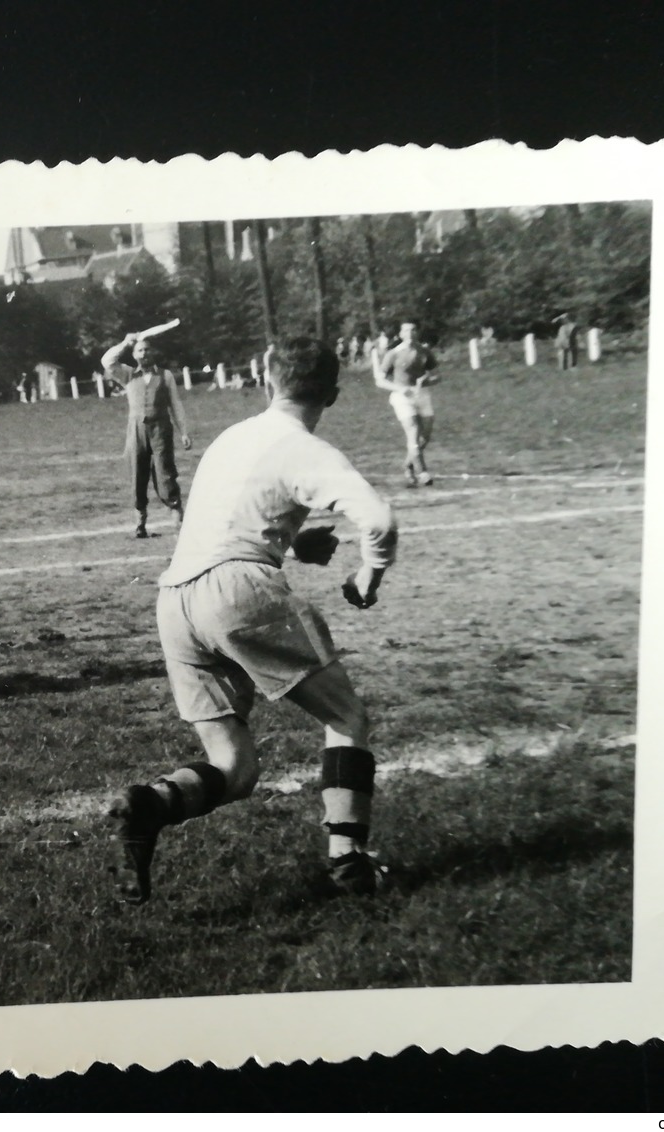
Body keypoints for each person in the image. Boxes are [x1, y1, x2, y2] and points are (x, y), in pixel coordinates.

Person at [110, 336, 399, 904]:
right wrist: (369, 575)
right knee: (346, 717)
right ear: (333, 396)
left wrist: (290, 545)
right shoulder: (305, 447)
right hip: (235, 590)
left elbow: (220, 522)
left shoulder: (231, 437)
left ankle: (146, 806)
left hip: (174, 598)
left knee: (235, 768)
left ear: (267, 378)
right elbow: (379, 520)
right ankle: (348, 862)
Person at [101, 327, 192, 538]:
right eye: (140, 351)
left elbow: (176, 405)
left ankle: (178, 520)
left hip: (161, 429)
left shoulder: (165, 376)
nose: (144, 354)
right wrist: (125, 343)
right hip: (136, 430)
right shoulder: (128, 374)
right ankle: (140, 524)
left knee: (165, 473)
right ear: (134, 355)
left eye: (147, 350)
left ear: (153, 352)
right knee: (137, 473)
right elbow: (107, 361)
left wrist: (184, 432)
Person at [374, 321, 441, 487]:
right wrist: (400, 389)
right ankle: (422, 472)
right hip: (401, 396)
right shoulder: (393, 354)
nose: (410, 333)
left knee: (425, 436)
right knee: (413, 430)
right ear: (401, 334)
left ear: (417, 333)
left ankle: (408, 465)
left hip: (421, 395)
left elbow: (438, 376)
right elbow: (380, 381)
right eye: (406, 330)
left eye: (413, 330)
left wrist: (426, 380)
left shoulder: (424, 352)